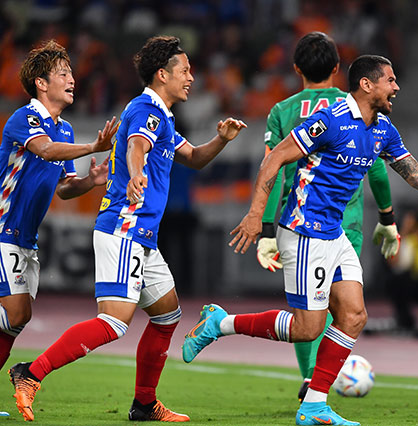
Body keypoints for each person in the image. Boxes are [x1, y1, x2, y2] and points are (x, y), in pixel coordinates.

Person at [183, 54, 418, 426]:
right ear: (367, 84)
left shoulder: (383, 129)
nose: (396, 87)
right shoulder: (329, 121)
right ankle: (220, 323)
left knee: (353, 316)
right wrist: (255, 216)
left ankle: (314, 406)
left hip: (334, 233)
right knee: (307, 329)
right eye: (390, 80)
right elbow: (274, 159)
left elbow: (416, 175)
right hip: (304, 231)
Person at [8, 35, 246, 422]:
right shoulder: (145, 109)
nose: (191, 77)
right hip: (125, 227)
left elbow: (193, 157)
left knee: (167, 315)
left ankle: (145, 404)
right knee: (114, 321)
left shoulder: (163, 116)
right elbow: (137, 145)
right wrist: (135, 174)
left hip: (143, 236)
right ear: (162, 74)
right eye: (185, 70)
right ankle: (31, 373)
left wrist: (220, 139)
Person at [256, 31, 399, 402]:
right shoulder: (352, 104)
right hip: (346, 220)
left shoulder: (282, 111)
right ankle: (320, 386)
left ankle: (311, 379)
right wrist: (387, 216)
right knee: (331, 308)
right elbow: (377, 168)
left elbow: (275, 169)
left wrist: (266, 229)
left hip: (299, 214)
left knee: (313, 307)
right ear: (337, 68)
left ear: (296, 69)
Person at [0, 39, 117, 417]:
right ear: (40, 83)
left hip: (25, 238)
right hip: (2, 229)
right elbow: (46, 150)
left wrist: (89, 181)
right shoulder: (25, 118)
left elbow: (65, 188)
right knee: (15, 314)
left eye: (71, 73)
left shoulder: (64, 129)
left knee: (15, 322)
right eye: (63, 74)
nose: (72, 80)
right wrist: (94, 146)